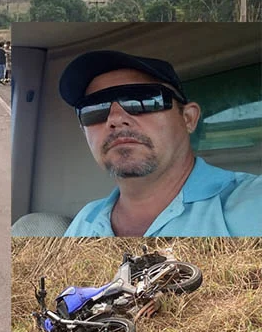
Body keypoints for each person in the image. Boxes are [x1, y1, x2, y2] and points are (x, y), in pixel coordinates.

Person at [58, 50, 261, 237]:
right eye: (93, 109)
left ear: (188, 118)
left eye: (143, 100)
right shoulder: (85, 221)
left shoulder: (251, 203)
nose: (115, 119)